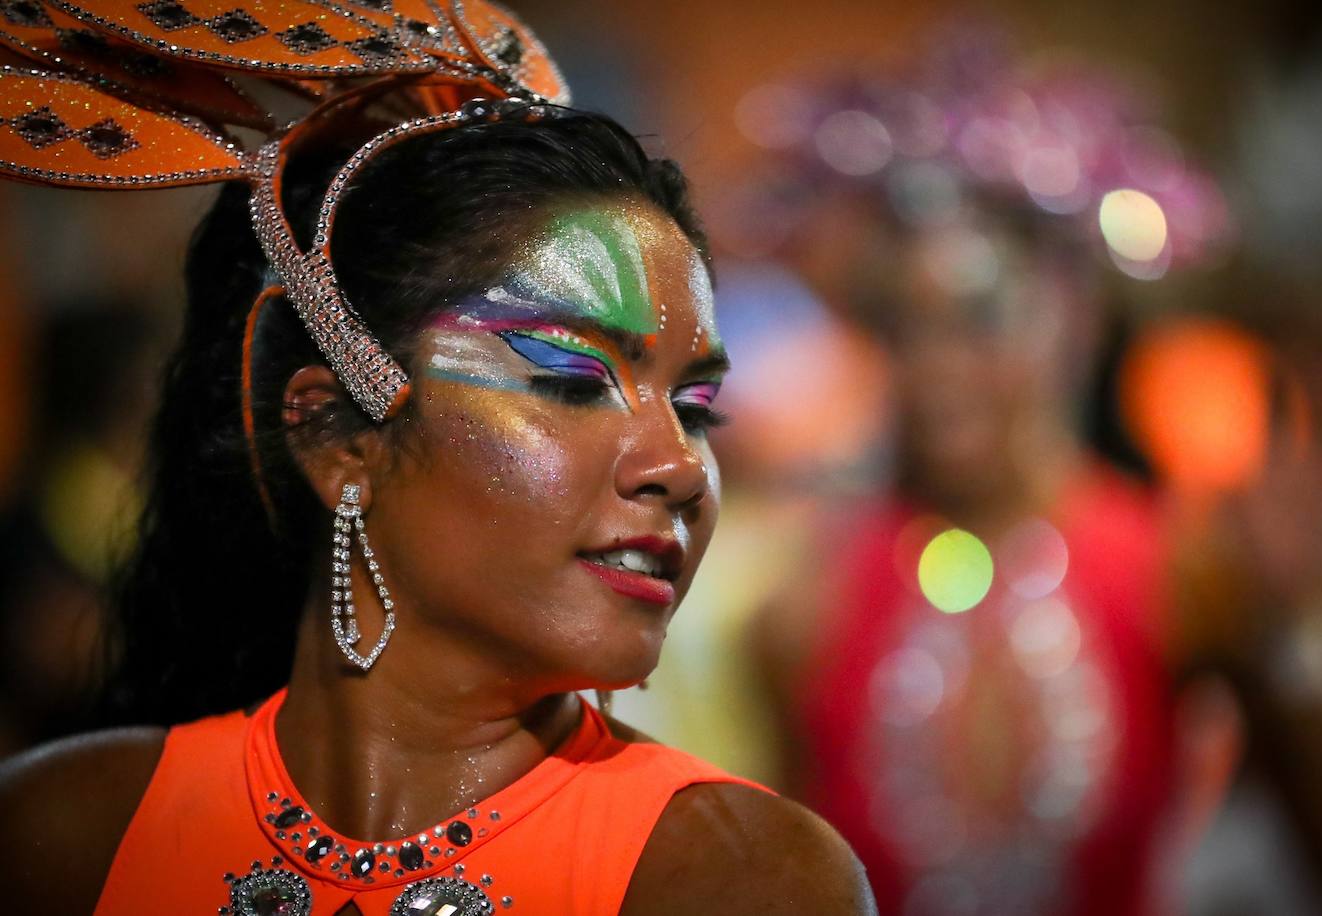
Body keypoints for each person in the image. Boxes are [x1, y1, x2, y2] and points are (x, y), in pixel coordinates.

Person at [0, 4, 873, 914]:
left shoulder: (740, 880)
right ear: (339, 438)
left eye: (696, 408)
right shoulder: (66, 838)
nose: (682, 468)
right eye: (573, 380)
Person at [740, 27, 1230, 916]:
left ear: (1075, 315)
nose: (936, 366)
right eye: (903, 325)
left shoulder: (1180, 570)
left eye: (979, 317)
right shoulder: (806, 603)